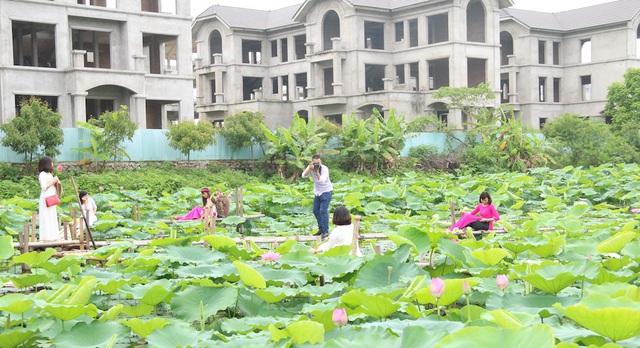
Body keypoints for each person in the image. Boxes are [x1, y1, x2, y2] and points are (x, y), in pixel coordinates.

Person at [302, 154, 333, 239]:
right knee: (315, 211)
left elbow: (322, 181)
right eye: (314, 163)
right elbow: (303, 176)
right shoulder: (311, 167)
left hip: (326, 191)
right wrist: (309, 168)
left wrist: (316, 172)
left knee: (323, 211)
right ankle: (321, 229)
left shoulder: (324, 169)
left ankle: (325, 231)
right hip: (318, 192)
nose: (316, 165)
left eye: (317, 163)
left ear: (320, 161)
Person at [38, 157, 61, 241]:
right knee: (46, 216)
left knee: (52, 217)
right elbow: (44, 187)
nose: (52, 164)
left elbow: (53, 186)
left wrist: (57, 183)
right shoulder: (42, 174)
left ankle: (53, 236)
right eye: (51, 162)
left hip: (52, 196)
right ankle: (46, 238)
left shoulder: (49, 174)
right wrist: (54, 180)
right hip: (46, 197)